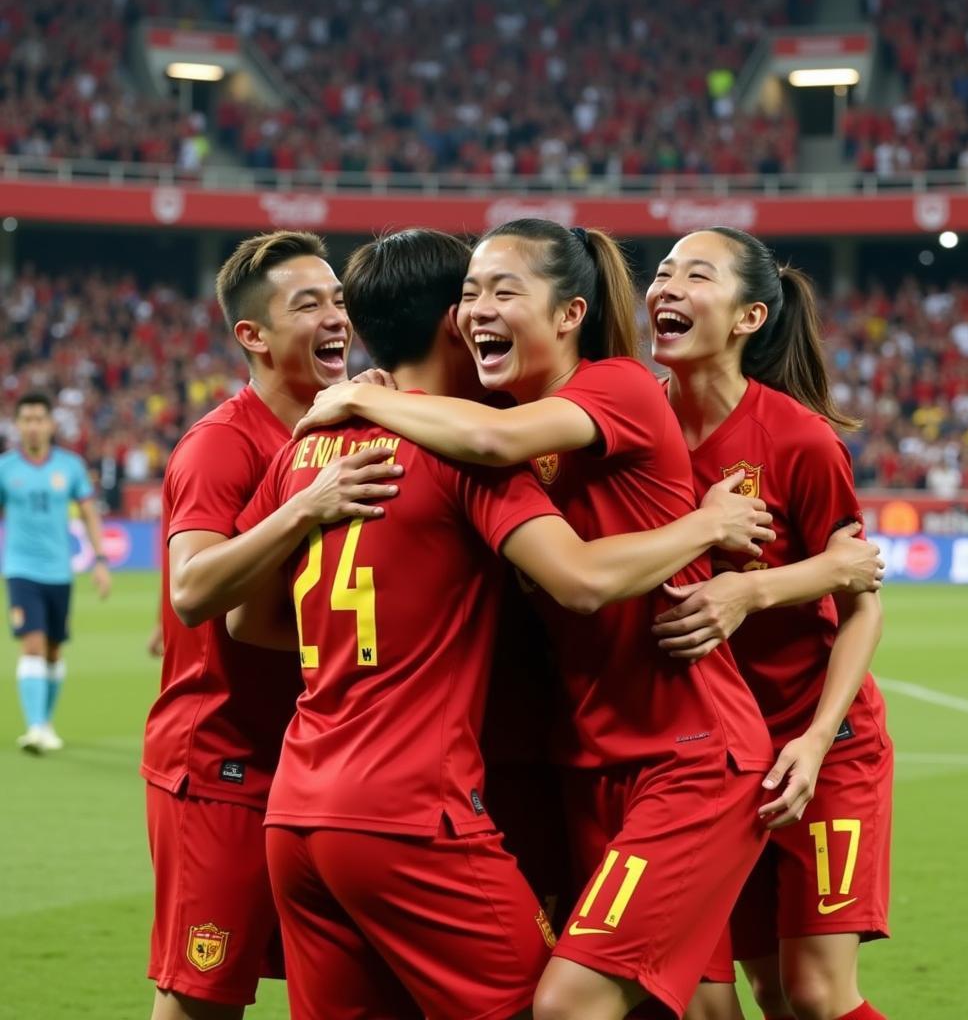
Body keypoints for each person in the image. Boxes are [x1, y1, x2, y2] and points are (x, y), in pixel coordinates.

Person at [229, 227, 772, 1020]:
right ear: (452, 323)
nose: (482, 310)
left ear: (569, 312)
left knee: (633, 1002)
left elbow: (247, 618)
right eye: (472, 294)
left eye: (501, 291)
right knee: (638, 1003)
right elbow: (574, 572)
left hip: (310, 807)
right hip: (470, 791)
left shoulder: (318, 448)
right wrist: (704, 525)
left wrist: (357, 396)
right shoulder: (464, 449)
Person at [141, 230, 404, 1020]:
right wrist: (305, 506)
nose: (336, 319)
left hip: (317, 766)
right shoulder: (222, 445)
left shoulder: (356, 421)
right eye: (308, 304)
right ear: (251, 335)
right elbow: (193, 592)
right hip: (222, 763)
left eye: (339, 301)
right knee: (203, 1000)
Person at [646, 227, 891, 1020]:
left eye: (696, 275)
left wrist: (818, 739)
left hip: (821, 744)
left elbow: (860, 598)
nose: (668, 287)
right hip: (713, 754)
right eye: (662, 272)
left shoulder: (796, 438)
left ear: (751, 316)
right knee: (761, 995)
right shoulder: (630, 427)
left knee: (817, 993)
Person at [0, 391, 111, 753]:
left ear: (49, 424)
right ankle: (34, 728)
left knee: (52, 651)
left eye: (38, 419)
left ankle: (45, 723)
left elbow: (90, 513)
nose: (32, 426)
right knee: (31, 644)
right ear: (17, 425)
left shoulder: (70, 466)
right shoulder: (6, 469)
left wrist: (99, 559)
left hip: (59, 572)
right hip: (20, 569)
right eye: (26, 419)